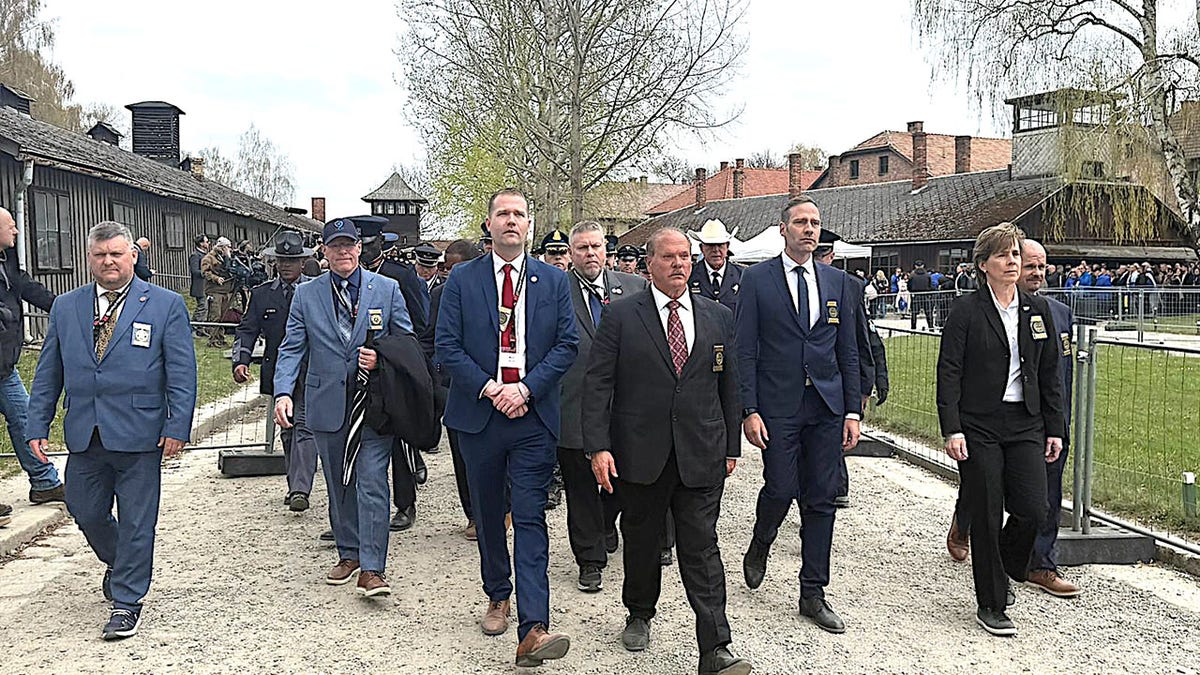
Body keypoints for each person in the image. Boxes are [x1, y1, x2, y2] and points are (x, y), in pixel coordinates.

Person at [583, 227, 751, 675]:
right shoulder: (620, 316)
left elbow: (729, 384)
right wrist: (598, 446)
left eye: (685, 257)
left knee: (702, 546)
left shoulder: (717, 316)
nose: (679, 264)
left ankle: (715, 646)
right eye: (669, 257)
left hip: (701, 451)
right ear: (649, 264)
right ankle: (639, 611)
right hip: (640, 453)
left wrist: (731, 444)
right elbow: (599, 383)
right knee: (641, 539)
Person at [26, 221, 196, 640]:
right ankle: (122, 564)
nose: (109, 262)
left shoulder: (164, 304)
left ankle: (126, 602)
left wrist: (178, 425)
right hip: (86, 432)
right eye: (100, 255)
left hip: (141, 433)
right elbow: (50, 371)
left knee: (139, 521)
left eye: (117, 254)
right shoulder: (67, 307)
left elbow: (182, 372)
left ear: (132, 256)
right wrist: (37, 424)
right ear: (90, 259)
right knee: (84, 509)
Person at [435, 188, 578, 667]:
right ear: (489, 224)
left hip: (533, 416)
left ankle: (534, 625)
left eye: (519, 214)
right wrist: (492, 389)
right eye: (503, 214)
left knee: (532, 516)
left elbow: (566, 346)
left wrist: (527, 389)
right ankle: (497, 593)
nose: (511, 221)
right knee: (490, 513)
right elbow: (447, 346)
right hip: (481, 416)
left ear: (529, 225)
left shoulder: (554, 282)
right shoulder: (462, 279)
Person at [737, 195, 861, 634]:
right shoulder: (757, 280)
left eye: (815, 223)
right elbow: (744, 349)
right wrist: (749, 409)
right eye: (801, 222)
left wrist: (852, 409)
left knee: (822, 497)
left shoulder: (836, 283)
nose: (809, 229)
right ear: (783, 228)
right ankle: (762, 539)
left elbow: (847, 350)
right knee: (781, 486)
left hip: (825, 405)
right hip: (778, 404)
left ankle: (813, 592)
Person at [272, 217, 413, 598]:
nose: (344, 252)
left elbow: (406, 341)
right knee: (338, 483)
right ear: (324, 251)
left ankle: (372, 568)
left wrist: (380, 357)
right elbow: (291, 347)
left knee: (371, 481)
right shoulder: (307, 295)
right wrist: (283, 391)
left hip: (373, 406)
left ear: (359, 248)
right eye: (335, 246)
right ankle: (348, 552)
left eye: (349, 245)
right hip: (327, 403)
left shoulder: (386, 289)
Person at [936, 223, 1065, 637]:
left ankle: (1008, 563)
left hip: (1025, 421)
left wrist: (1054, 427)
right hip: (980, 424)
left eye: (1015, 254)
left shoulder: (1036, 309)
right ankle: (991, 603)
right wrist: (952, 428)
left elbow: (1050, 375)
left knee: (1034, 507)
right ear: (983, 265)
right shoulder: (966, 312)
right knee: (989, 512)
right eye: (1004, 256)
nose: (1013, 262)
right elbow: (949, 373)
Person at [556, 220, 646, 593]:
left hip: (625, 406)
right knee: (580, 488)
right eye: (581, 249)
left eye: (595, 247)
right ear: (571, 255)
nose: (590, 254)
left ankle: (609, 526)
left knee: (622, 481)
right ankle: (589, 560)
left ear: (606, 250)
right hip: (573, 404)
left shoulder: (635, 288)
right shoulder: (556, 291)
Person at [233, 232, 318, 512]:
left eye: (292, 261)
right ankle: (296, 482)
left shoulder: (318, 291)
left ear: (303, 262)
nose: (286, 266)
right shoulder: (261, 294)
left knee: (305, 426)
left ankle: (300, 489)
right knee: (288, 428)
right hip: (279, 370)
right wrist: (241, 360)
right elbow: (247, 329)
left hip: (313, 370)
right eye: (281, 260)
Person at [353, 215, 428, 531]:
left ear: (381, 244)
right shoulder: (345, 279)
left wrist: (395, 358)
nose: (364, 252)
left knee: (398, 441)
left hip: (392, 371)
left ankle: (405, 504)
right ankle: (355, 511)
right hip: (354, 376)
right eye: (360, 245)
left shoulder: (400, 278)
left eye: (369, 245)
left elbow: (419, 325)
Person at [419, 239, 482, 540]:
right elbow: (430, 338)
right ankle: (473, 514)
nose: (448, 275)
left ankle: (502, 506)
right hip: (453, 387)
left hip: (490, 385)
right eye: (445, 269)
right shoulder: (440, 295)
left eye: (455, 268)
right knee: (461, 454)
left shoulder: (493, 291)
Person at [0, 207, 62, 505]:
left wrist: (63, 307)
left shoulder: (6, 259)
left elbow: (26, 287)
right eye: (11, 226)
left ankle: (44, 483)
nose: (16, 231)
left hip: (4, 366)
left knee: (25, 419)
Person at [813, 231, 874, 510]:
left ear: (831, 256)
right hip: (796, 386)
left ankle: (834, 490)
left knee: (832, 444)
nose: (819, 262)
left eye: (822, 256)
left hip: (834, 384)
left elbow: (861, 340)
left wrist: (866, 383)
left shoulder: (848, 286)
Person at [688, 219, 742, 315]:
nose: (716, 250)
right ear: (701, 248)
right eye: (710, 245)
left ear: (727, 246)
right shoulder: (689, 274)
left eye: (720, 245)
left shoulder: (742, 275)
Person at [201, 237, 236, 347]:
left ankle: (220, 338)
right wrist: (216, 278)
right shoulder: (209, 258)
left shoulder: (226, 258)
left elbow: (230, 269)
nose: (229, 249)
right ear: (221, 247)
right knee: (215, 315)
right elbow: (205, 272)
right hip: (214, 290)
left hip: (225, 290)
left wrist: (228, 257)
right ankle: (213, 339)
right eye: (227, 247)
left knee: (222, 316)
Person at [188, 234, 210, 327]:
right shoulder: (195, 255)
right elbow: (194, 270)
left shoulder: (206, 255)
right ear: (201, 243)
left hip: (206, 285)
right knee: (202, 307)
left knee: (205, 308)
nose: (208, 243)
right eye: (206, 242)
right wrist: (205, 272)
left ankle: (200, 328)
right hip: (199, 285)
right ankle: (194, 327)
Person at [908, 259, 934, 329]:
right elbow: (930, 285)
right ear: (923, 266)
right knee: (929, 313)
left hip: (916, 295)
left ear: (915, 266)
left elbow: (909, 286)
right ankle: (931, 328)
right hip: (926, 295)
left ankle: (913, 328)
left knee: (914, 313)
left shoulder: (912, 275)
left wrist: (912, 292)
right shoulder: (927, 275)